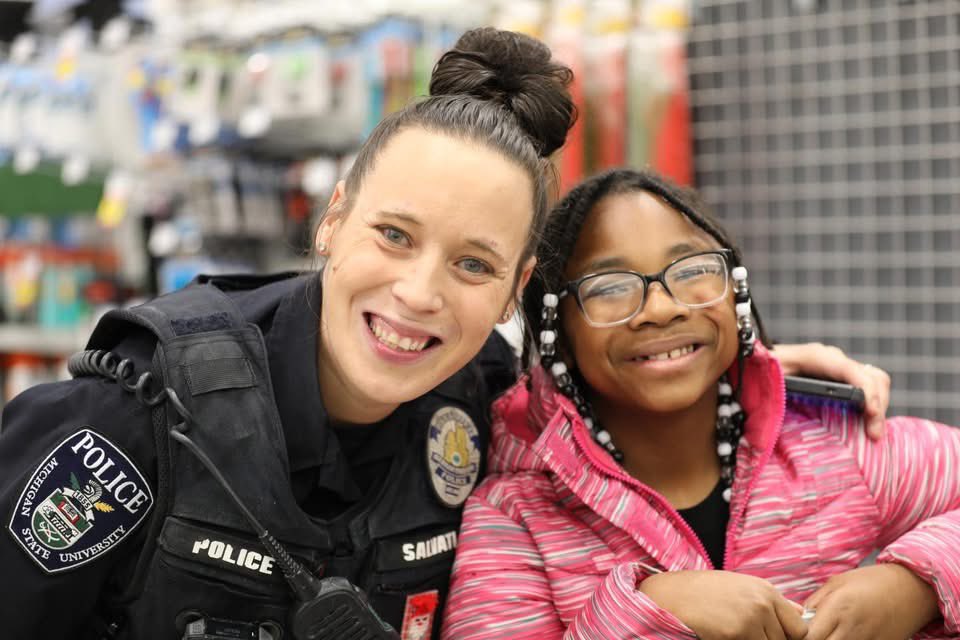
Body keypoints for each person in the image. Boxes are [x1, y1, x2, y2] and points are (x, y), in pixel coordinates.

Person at [0, 30, 887, 639]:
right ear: (333, 222)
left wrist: (755, 378)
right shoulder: (127, 425)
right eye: (394, 235)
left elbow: (618, 414)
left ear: (514, 288)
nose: (419, 293)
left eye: (472, 265)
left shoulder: (495, 406)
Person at [442, 168, 960, 640]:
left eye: (691, 271)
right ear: (559, 331)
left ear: (734, 290)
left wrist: (914, 583)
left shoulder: (834, 449)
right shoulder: (516, 518)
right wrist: (648, 610)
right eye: (611, 287)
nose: (661, 309)